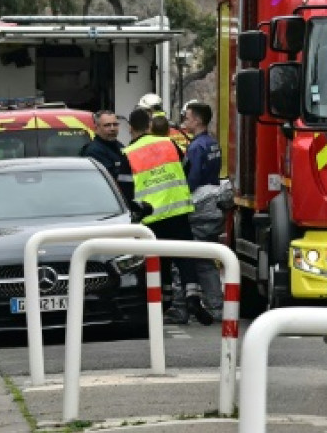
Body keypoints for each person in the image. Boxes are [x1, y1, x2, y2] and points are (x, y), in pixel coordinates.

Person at [124, 107, 213, 326]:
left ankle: (164, 304)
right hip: (178, 209)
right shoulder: (169, 143)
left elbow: (126, 189)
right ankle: (192, 297)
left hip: (151, 215)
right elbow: (185, 167)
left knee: (159, 262)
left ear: (130, 129)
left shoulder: (128, 153)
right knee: (185, 257)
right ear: (149, 126)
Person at [180, 101, 224, 318]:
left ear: (197, 120)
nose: (185, 121)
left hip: (199, 205)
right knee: (208, 255)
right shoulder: (212, 143)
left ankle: (214, 305)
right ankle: (214, 303)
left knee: (200, 259)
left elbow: (193, 176)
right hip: (212, 202)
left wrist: (182, 197)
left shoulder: (196, 146)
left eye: (188, 117)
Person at [80, 111, 134, 200]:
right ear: (96, 128)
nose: (112, 128)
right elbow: (109, 179)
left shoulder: (118, 146)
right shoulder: (93, 151)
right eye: (107, 125)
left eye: (115, 124)